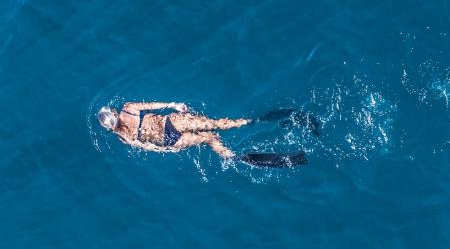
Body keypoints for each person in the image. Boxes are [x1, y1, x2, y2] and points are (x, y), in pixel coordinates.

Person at [97, 101, 308, 167]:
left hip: (169, 140)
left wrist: (169, 148)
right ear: (113, 112)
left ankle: (233, 158)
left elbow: (147, 146)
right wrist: (173, 104)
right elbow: (154, 104)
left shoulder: (122, 137)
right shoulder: (127, 108)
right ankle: (253, 121)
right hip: (172, 122)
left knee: (210, 138)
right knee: (218, 125)